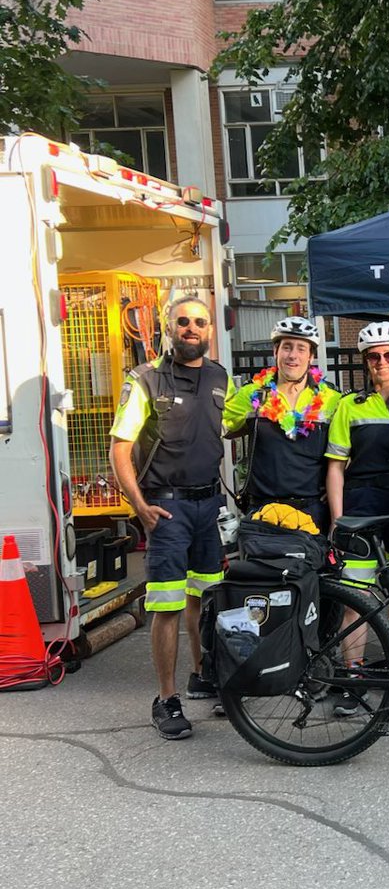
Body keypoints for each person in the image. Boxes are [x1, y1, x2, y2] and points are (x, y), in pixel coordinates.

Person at [109, 296, 234, 739]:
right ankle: (166, 699)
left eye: (200, 322)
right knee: (167, 603)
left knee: (207, 597)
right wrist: (139, 506)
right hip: (167, 507)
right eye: (183, 321)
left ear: (209, 331)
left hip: (210, 506)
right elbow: (120, 448)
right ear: (169, 326)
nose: (192, 328)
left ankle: (203, 674)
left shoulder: (221, 376)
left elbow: (241, 423)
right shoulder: (145, 379)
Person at [325, 322, 389, 729]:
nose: (382, 363)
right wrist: (338, 521)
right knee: (357, 599)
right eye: (373, 356)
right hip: (362, 504)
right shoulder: (350, 406)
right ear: (365, 362)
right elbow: (335, 469)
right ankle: (354, 679)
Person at [223, 316, 341, 530]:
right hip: (263, 510)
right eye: (286, 347)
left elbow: (346, 452)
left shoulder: (331, 399)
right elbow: (217, 427)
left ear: (311, 356)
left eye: (301, 349)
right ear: (275, 352)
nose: (293, 355)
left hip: (312, 510)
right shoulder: (253, 394)